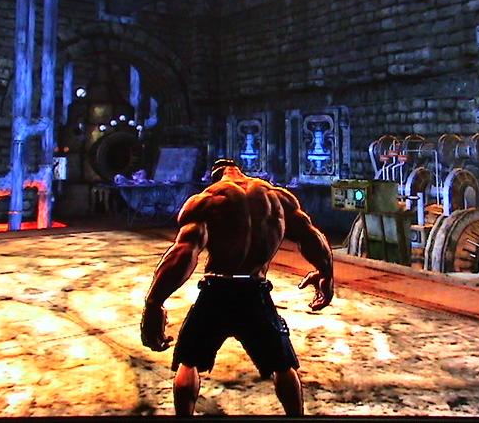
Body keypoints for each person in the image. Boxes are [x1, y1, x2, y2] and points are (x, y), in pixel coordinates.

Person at [140, 158, 334, 416]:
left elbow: (184, 253)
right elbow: (310, 236)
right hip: (255, 291)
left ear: (216, 174)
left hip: (217, 291)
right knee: (283, 366)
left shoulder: (208, 199)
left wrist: (154, 302)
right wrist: (326, 274)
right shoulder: (276, 198)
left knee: (188, 363)